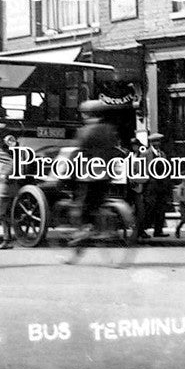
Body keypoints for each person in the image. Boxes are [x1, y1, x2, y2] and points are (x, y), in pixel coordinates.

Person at [63, 102, 120, 263]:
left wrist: (66, 173)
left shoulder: (85, 130)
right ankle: (95, 230)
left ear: (87, 114)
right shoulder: (110, 129)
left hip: (88, 175)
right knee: (98, 204)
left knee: (80, 207)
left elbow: (76, 152)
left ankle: (84, 232)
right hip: (107, 174)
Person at [142, 133, 171, 239]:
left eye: (158, 141)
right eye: (155, 141)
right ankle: (142, 230)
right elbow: (141, 168)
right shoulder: (145, 154)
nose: (157, 143)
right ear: (151, 143)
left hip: (161, 185)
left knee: (161, 208)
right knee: (149, 208)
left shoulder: (162, 154)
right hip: (150, 185)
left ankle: (158, 230)